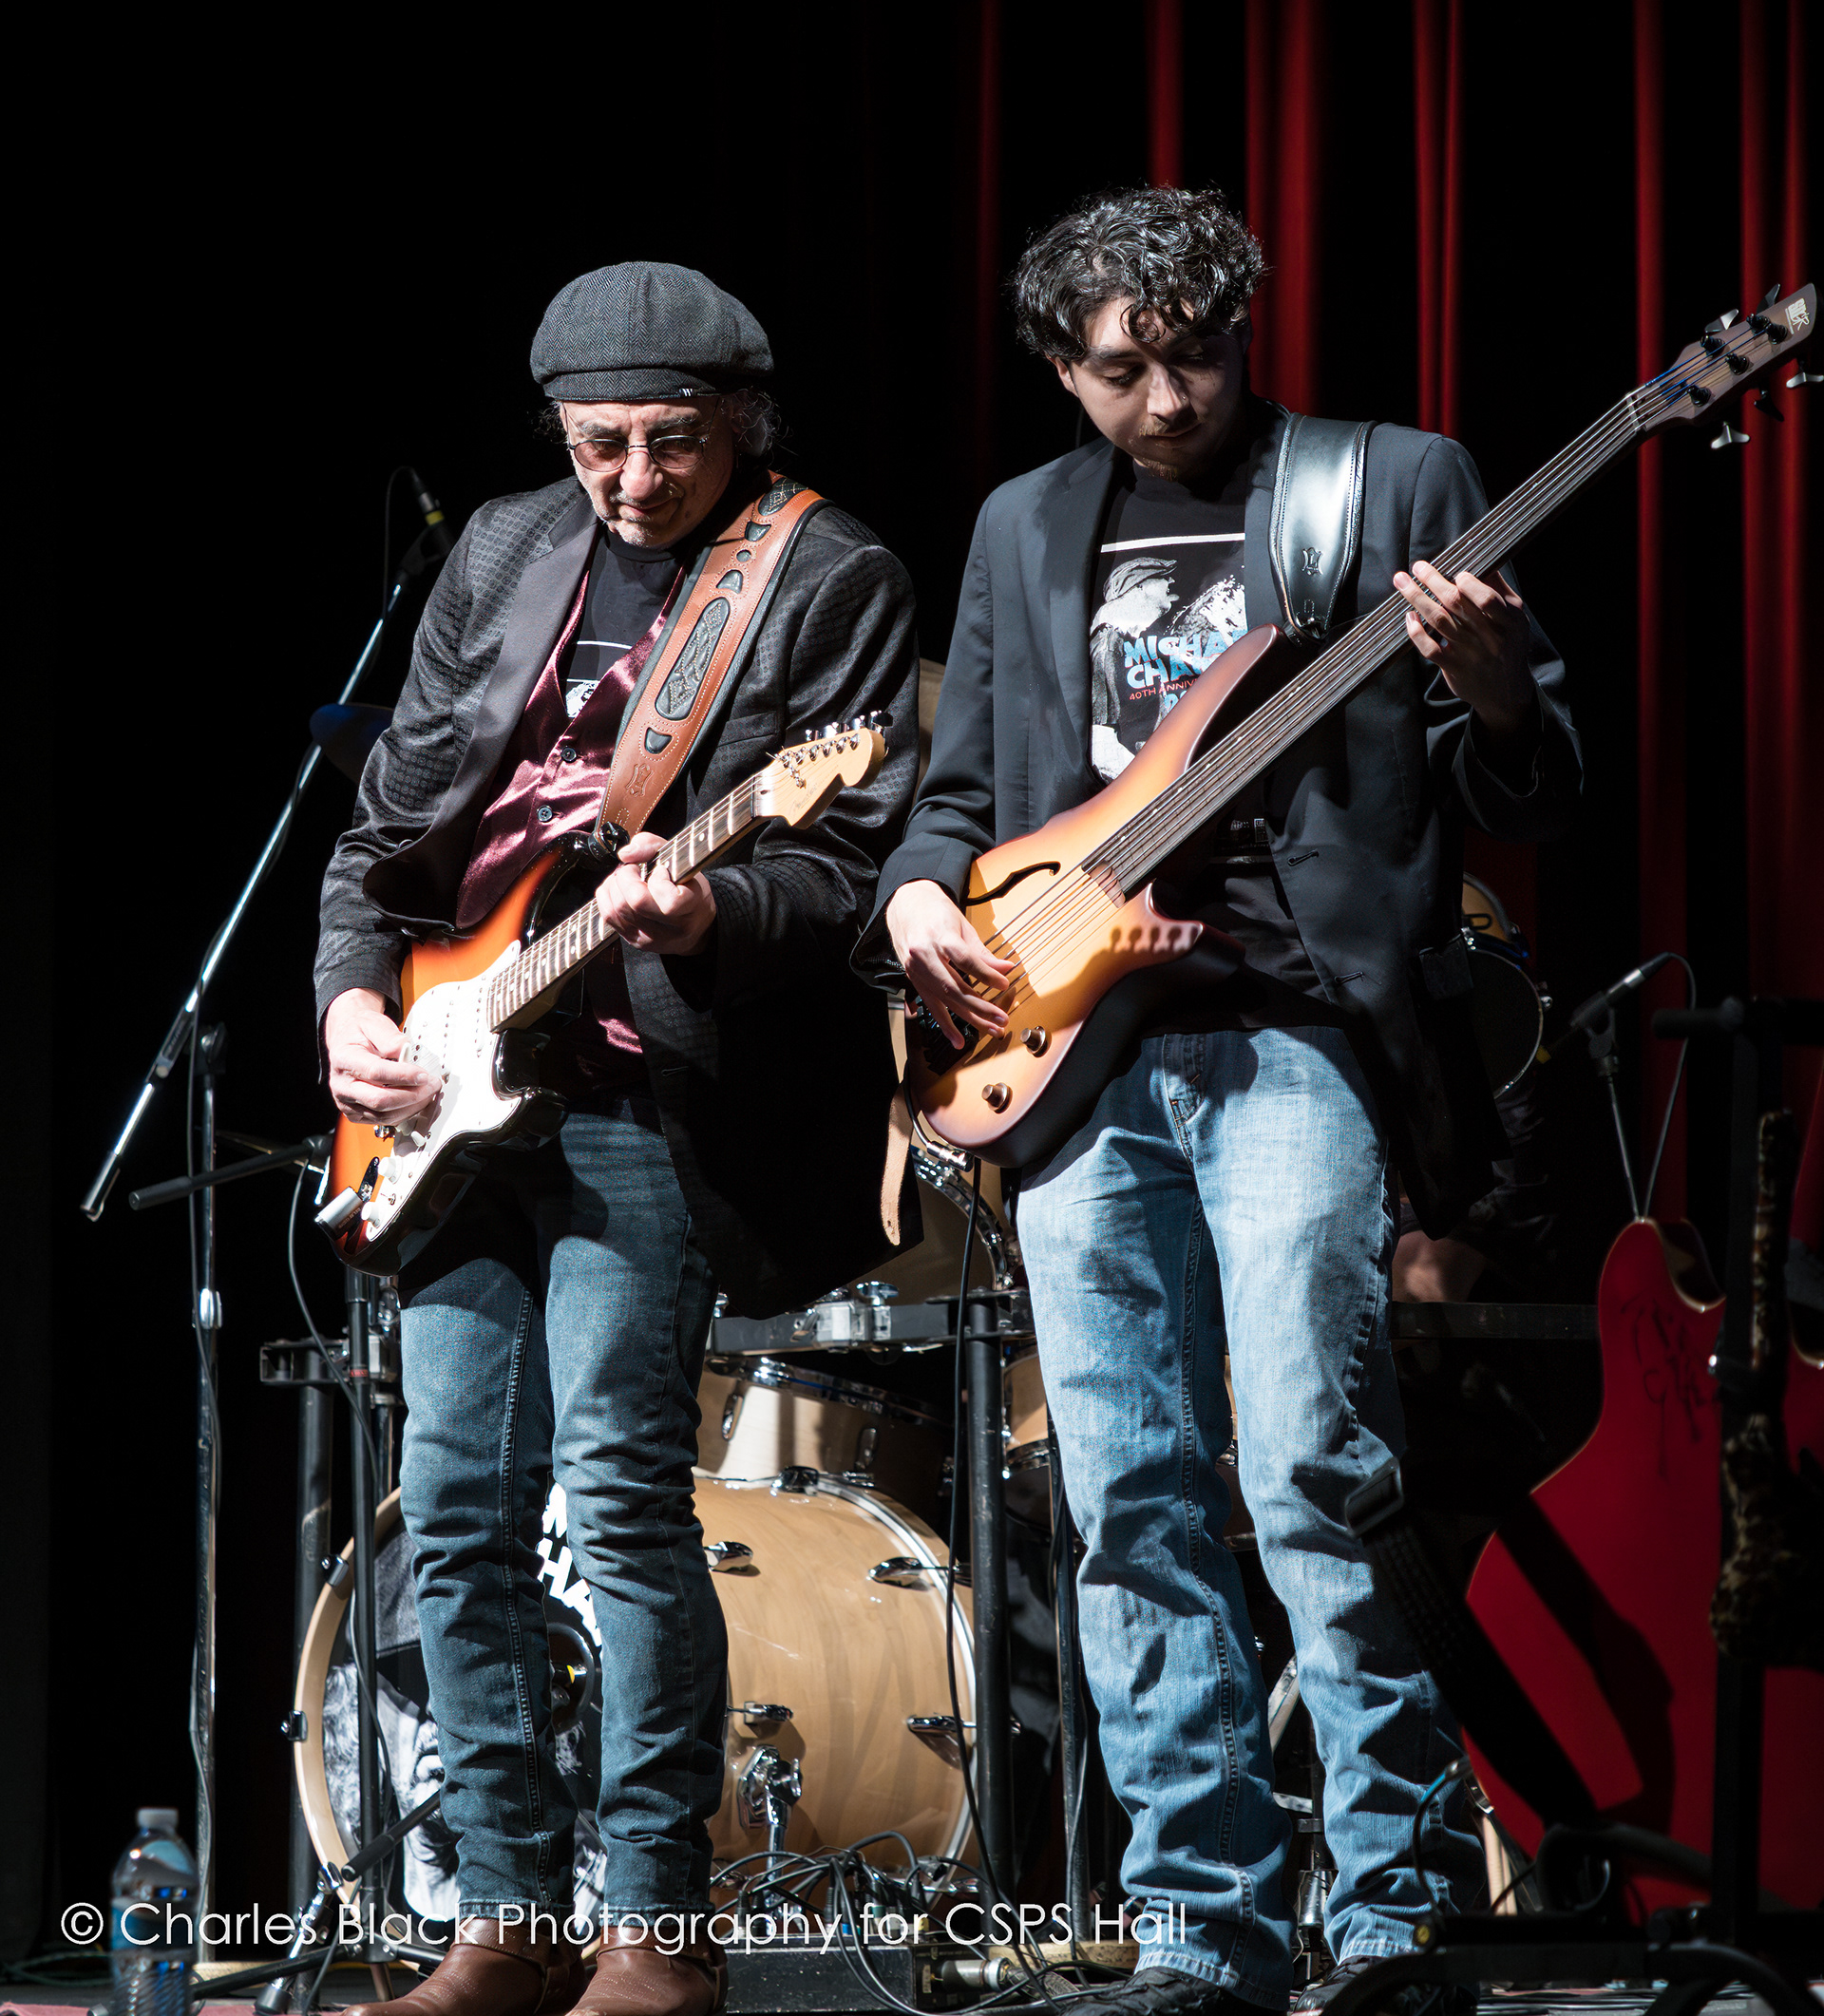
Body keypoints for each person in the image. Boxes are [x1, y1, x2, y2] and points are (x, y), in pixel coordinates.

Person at [860, 187, 1581, 2016]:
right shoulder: (1024, 522)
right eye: (1123, 370)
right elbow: (962, 794)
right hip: (1072, 1052)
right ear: (1060, 367)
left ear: (1246, 330)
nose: (1169, 398)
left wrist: (1500, 693)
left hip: (1297, 1035)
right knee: (1130, 1500)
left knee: (1316, 1471)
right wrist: (922, 895)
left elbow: (1534, 780)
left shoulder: (1389, 484)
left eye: (1197, 356)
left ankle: (1398, 1913)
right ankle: (1204, 1927)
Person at [316, 262, 919, 2016]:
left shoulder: (826, 573)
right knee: (455, 1520)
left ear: (743, 424)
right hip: (449, 1095)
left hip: (648, 1102)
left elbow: (851, 867)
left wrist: (710, 907)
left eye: (673, 444)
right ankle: (503, 1920)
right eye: (601, 446)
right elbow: (385, 833)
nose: (635, 480)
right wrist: (349, 1002)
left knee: (624, 1504)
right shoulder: (504, 549)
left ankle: (659, 1924)